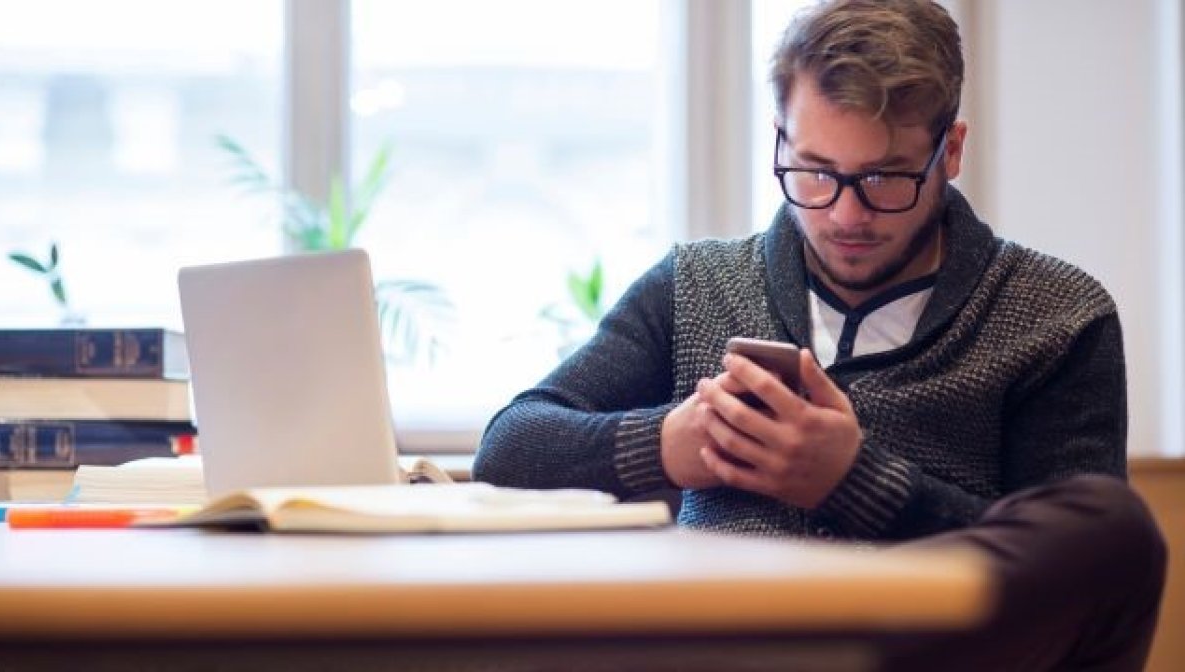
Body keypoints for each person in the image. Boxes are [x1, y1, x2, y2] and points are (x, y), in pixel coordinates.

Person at [473, 0, 1167, 669]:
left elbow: (1069, 571)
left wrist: (855, 481)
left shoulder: (1054, 313)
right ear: (779, 137)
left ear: (949, 151)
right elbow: (509, 450)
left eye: (882, 178)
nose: (843, 214)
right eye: (812, 172)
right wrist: (673, 445)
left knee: (1112, 530)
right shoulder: (696, 284)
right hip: (718, 634)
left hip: (921, 646)